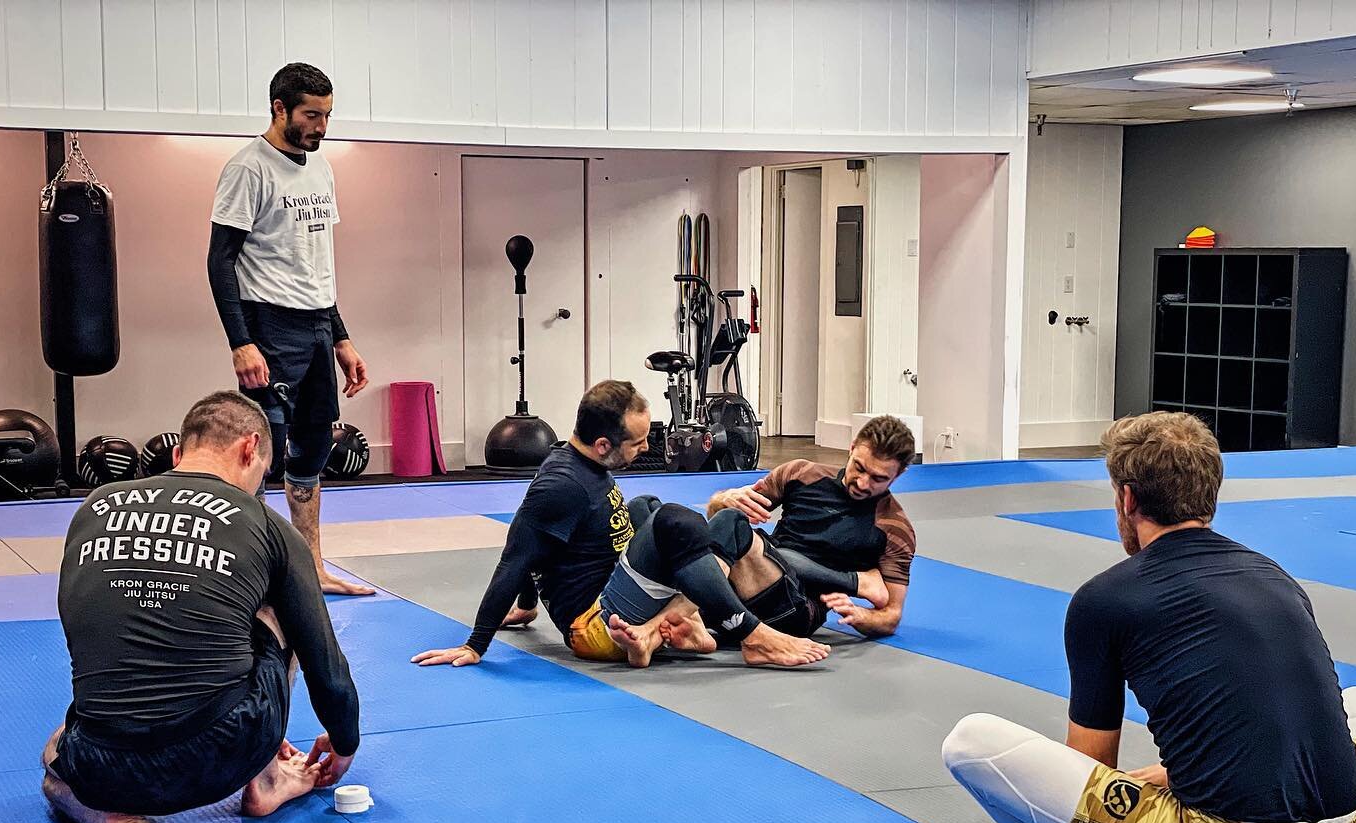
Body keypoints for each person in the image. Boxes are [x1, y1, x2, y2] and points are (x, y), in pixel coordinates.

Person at [942, 411, 1356, 823]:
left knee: (971, 742)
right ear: (1209, 494)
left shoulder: (1104, 599)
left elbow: (1091, 768)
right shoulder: (1276, 577)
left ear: (1127, 499)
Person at [43, 392, 361, 823]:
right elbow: (327, 668)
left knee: (55, 755)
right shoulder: (266, 524)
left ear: (178, 455)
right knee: (279, 601)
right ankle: (267, 777)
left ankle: (108, 816)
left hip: (102, 766)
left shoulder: (94, 505)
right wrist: (343, 746)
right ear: (250, 449)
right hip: (223, 755)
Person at [411, 381, 829, 671]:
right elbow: (517, 554)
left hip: (617, 589)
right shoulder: (562, 485)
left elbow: (539, 544)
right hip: (595, 626)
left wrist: (526, 605)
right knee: (673, 521)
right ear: (603, 445)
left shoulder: (581, 461)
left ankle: (668, 627)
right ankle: (752, 635)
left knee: (673, 511)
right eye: (638, 442)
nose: (647, 448)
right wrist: (475, 643)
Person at [207, 61, 373, 596]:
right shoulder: (247, 169)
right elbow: (219, 262)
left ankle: (310, 569)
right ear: (280, 109)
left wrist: (341, 337)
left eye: (326, 115)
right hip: (268, 327)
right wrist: (241, 342)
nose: (321, 126)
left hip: (317, 327)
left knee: (311, 449)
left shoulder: (320, 169)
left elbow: (317, 262)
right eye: (311, 114)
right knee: (260, 452)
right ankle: (249, 582)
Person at [705, 415, 918, 640]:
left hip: (797, 608)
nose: (863, 483)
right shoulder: (802, 474)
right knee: (684, 526)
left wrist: (861, 616)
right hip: (755, 580)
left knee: (733, 529)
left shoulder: (894, 528)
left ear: (899, 474)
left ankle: (698, 611)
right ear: (852, 447)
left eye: (878, 478)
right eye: (859, 468)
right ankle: (855, 582)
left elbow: (891, 614)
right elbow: (719, 524)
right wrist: (725, 498)